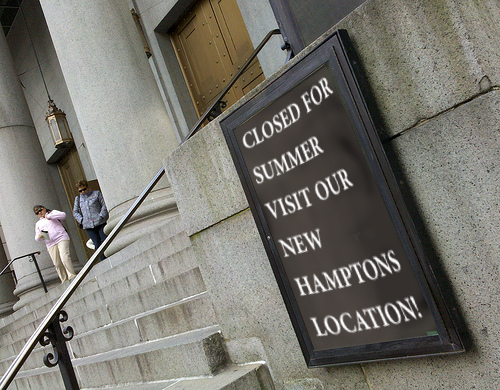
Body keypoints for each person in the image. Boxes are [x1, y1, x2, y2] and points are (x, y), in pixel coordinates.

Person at [34, 205, 76, 283]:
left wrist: (49, 216)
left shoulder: (52, 213)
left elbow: (63, 215)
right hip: (50, 243)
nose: (40, 213)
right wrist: (40, 236)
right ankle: (64, 279)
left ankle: (71, 275)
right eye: (37, 213)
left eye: (40, 210)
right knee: (57, 263)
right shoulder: (38, 223)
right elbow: (37, 237)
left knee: (65, 257)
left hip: (61, 238)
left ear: (44, 208)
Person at [73, 180, 109, 260]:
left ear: (87, 187)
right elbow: (75, 212)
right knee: (96, 244)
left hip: (100, 222)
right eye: (80, 190)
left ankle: (110, 255)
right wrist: (82, 220)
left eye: (84, 189)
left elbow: (104, 204)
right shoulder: (78, 199)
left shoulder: (96, 194)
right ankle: (103, 260)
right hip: (88, 225)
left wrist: (101, 216)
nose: (83, 192)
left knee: (105, 240)